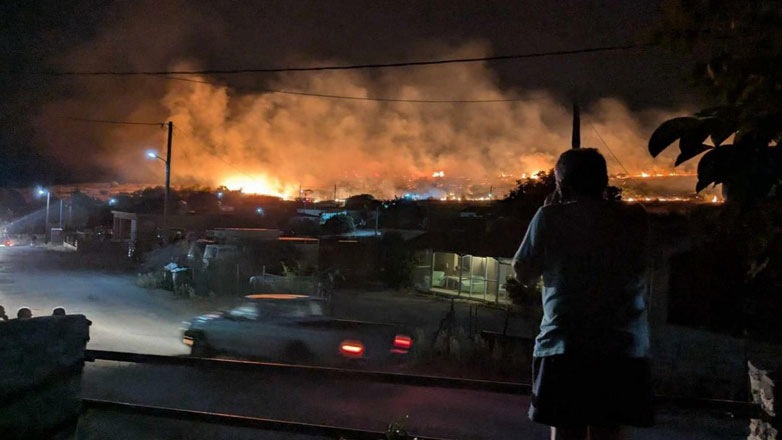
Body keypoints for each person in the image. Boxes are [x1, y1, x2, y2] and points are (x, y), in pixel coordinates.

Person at [513, 148, 653, 440]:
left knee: (566, 432)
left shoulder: (549, 217)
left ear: (562, 184)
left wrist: (550, 211)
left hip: (565, 345)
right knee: (609, 431)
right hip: (624, 345)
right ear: (603, 180)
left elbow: (523, 273)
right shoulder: (635, 217)